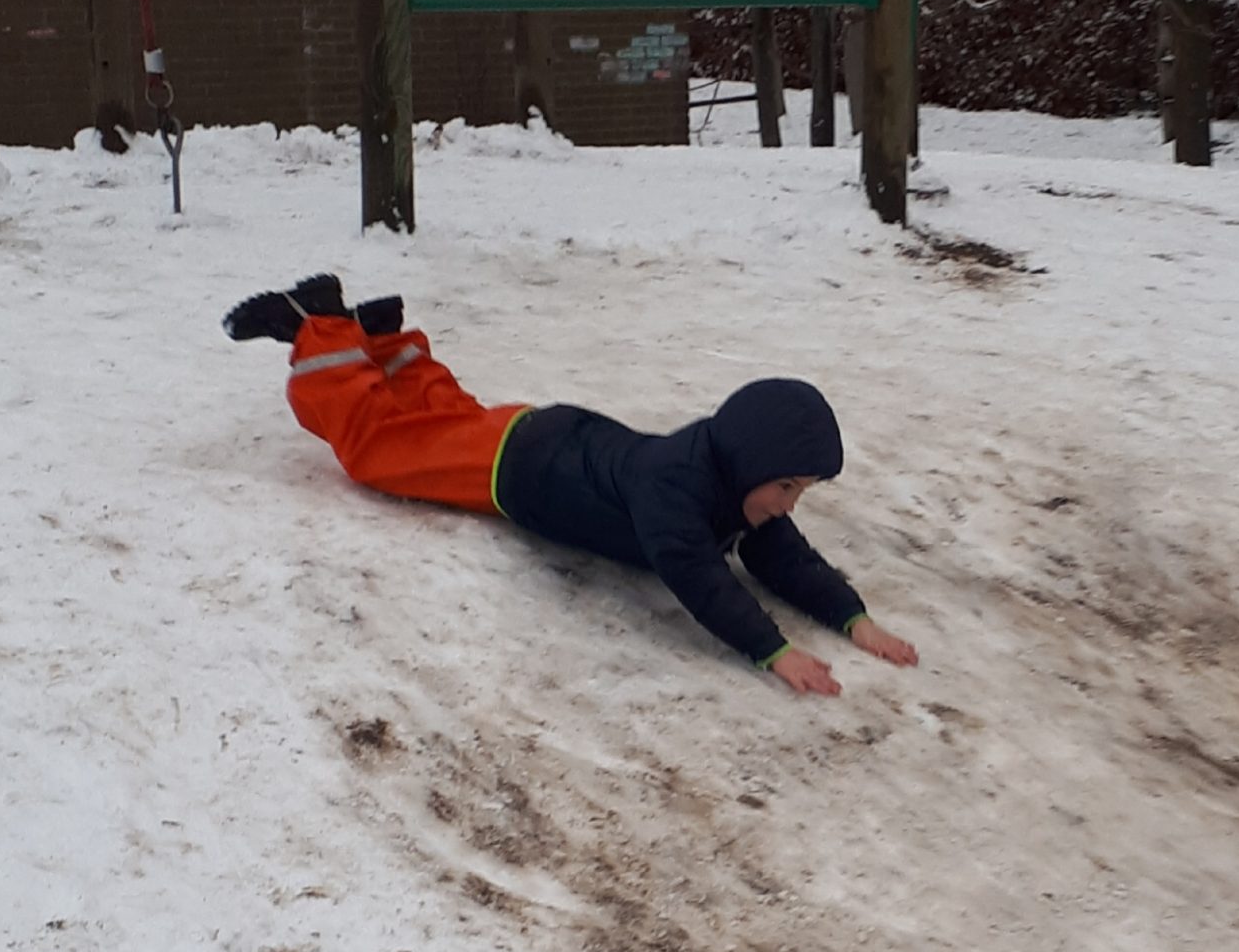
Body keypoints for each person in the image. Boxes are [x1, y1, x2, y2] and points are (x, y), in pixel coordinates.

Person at [227, 274, 918, 696]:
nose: (788, 506)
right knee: (378, 450)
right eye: (788, 488)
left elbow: (785, 557)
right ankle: (318, 329)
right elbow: (702, 581)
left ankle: (380, 340)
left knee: (442, 422)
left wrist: (854, 619)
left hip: (546, 432)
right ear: (751, 463)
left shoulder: (729, 477)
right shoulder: (674, 492)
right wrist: (774, 652)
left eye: (798, 493)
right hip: (514, 470)